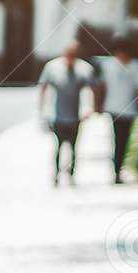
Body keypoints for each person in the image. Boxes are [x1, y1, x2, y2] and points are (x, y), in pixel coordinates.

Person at [37, 40, 97, 186]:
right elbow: (44, 88)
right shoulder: (52, 67)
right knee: (58, 146)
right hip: (58, 115)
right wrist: (43, 109)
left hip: (75, 115)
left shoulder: (84, 69)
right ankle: (56, 174)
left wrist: (89, 108)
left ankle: (71, 174)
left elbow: (90, 90)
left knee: (74, 147)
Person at [99, 39, 138, 184]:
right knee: (117, 138)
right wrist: (99, 104)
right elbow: (102, 85)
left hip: (129, 109)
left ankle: (118, 168)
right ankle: (116, 169)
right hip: (113, 108)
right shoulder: (109, 65)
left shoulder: (136, 66)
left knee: (123, 140)